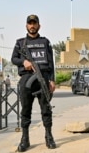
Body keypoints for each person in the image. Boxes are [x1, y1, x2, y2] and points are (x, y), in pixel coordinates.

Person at [11, 14, 56, 152]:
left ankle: (49, 137)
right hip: (27, 80)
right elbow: (13, 59)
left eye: (34, 23)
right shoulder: (20, 43)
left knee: (46, 109)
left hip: (42, 79)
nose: (32, 26)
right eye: (30, 23)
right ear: (26, 26)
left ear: (39, 25)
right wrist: (23, 62)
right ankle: (25, 139)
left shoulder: (45, 42)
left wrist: (52, 80)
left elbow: (51, 62)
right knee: (25, 111)